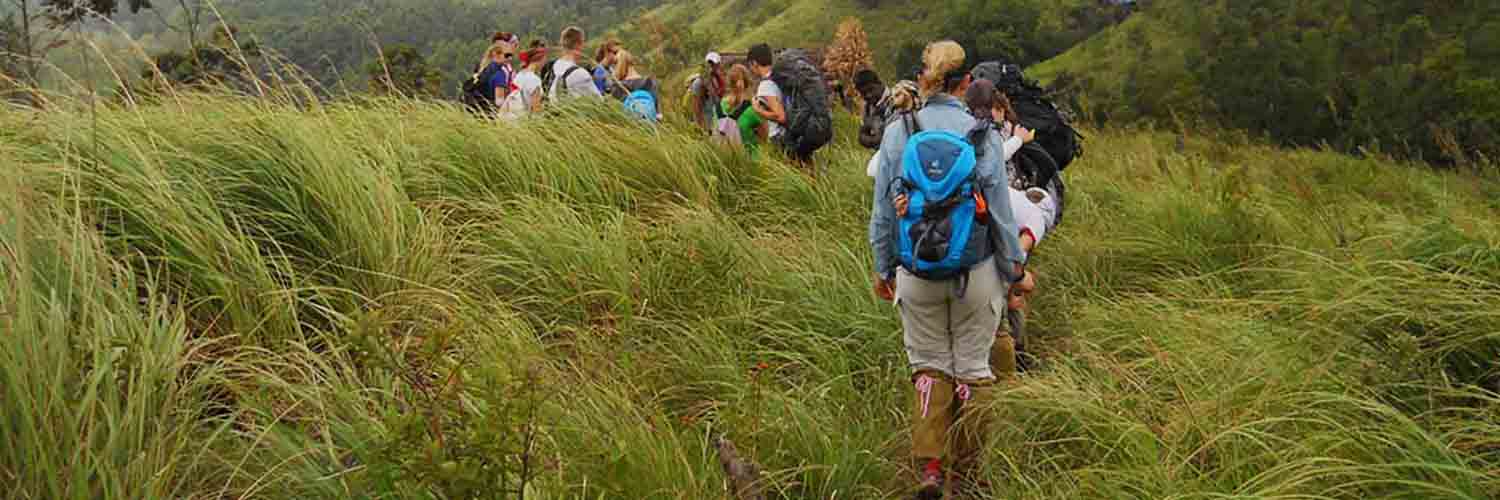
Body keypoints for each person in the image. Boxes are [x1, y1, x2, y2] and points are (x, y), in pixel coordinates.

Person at [868, 40, 1028, 499]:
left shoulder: (901, 128)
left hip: (916, 268)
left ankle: (932, 471)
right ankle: (969, 473)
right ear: (964, 82)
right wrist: (1011, 269)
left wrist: (884, 267)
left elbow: (882, 211)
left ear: (925, 77)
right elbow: (999, 213)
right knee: (974, 369)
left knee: (928, 366)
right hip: (975, 270)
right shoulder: (983, 134)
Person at [719, 63, 765, 158]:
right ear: (746, 82)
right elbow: (764, 137)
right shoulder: (752, 108)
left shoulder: (722, 104)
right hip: (750, 160)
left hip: (727, 158)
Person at [549, 26, 603, 100]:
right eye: (583, 42)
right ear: (578, 44)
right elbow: (600, 101)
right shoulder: (580, 74)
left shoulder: (554, 66)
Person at [747, 44, 787, 145]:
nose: (750, 69)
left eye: (750, 65)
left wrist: (758, 110)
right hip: (789, 134)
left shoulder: (765, 85)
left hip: (779, 136)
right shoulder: (778, 76)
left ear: (755, 63)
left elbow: (781, 117)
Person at [610, 50, 662, 122]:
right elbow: (659, 115)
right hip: (650, 128)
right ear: (632, 62)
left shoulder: (617, 87)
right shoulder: (650, 82)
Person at [501, 40, 547, 120]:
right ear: (540, 59)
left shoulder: (519, 75)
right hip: (525, 121)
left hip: (513, 120)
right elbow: (536, 110)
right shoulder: (535, 80)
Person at [689, 52, 726, 134]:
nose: (711, 66)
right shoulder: (698, 83)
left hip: (716, 121)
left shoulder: (717, 80)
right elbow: (696, 106)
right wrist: (699, 126)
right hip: (706, 124)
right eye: (709, 63)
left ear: (718, 64)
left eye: (713, 64)